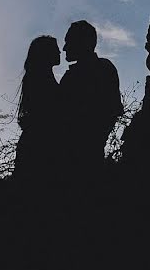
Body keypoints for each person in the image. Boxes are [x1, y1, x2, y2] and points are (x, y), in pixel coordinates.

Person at [59, 20, 123, 175]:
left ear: (81, 43)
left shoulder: (78, 76)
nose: (65, 48)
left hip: (79, 158)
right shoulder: (103, 69)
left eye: (68, 42)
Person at [13, 35, 61, 181]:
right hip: (38, 147)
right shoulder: (41, 79)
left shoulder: (38, 77)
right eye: (56, 49)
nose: (60, 52)